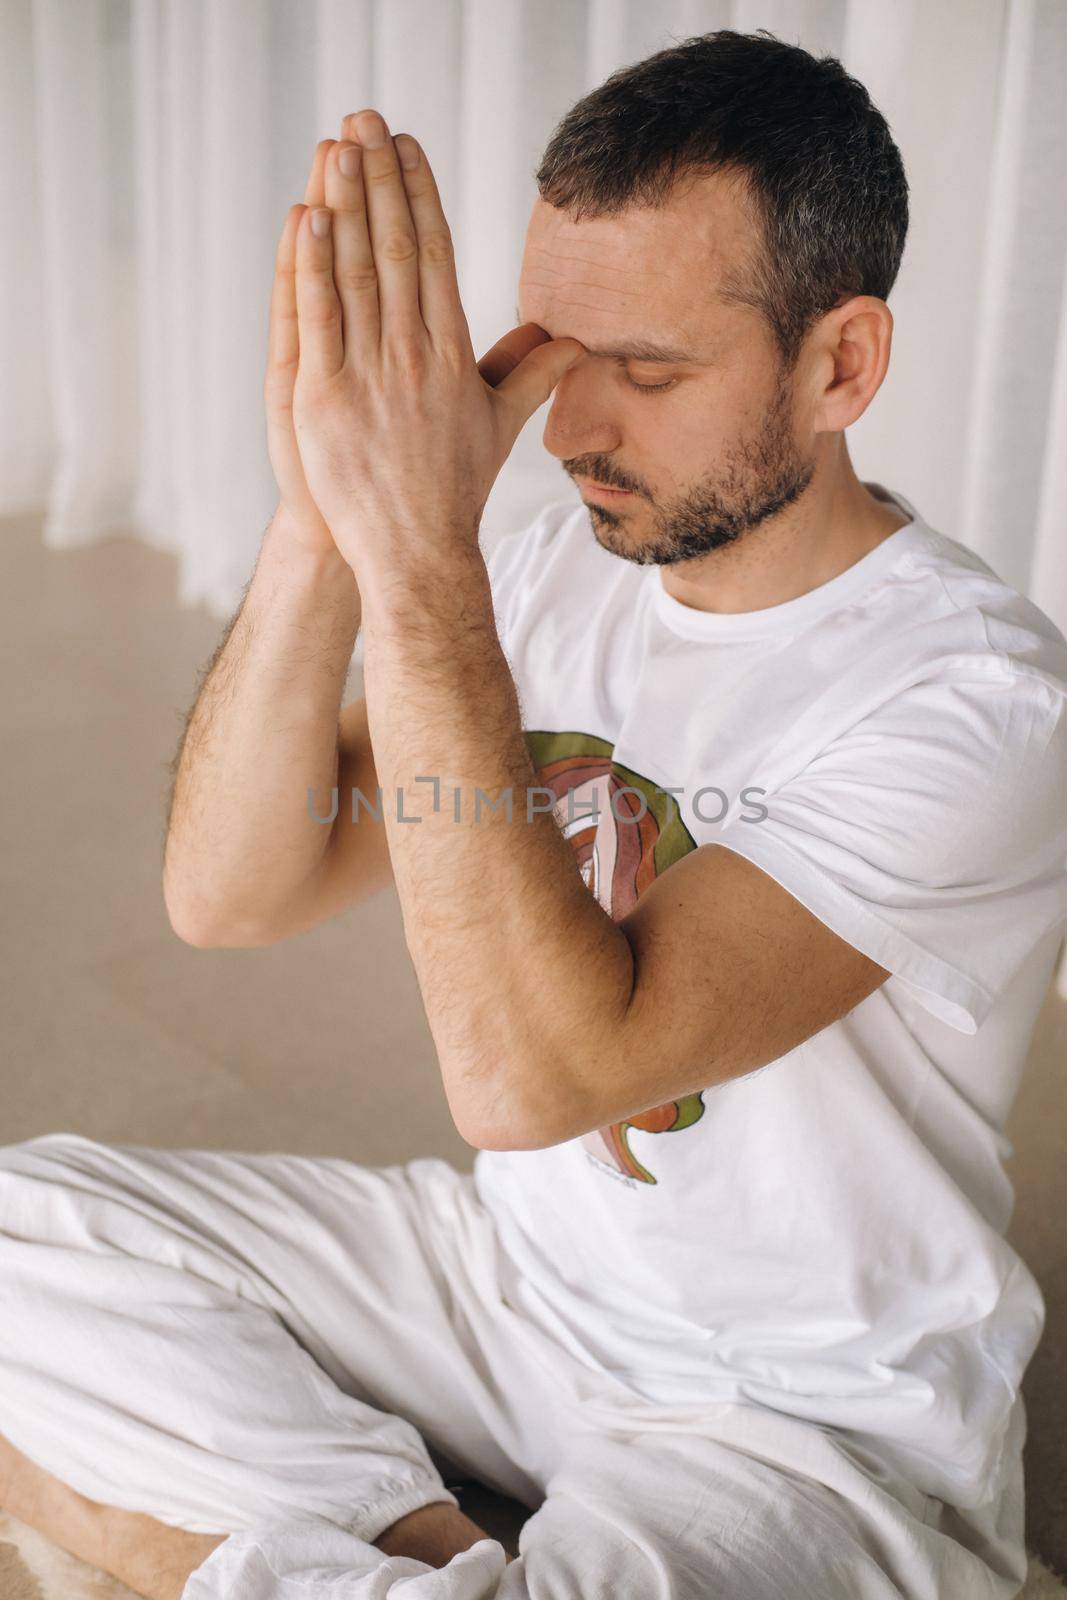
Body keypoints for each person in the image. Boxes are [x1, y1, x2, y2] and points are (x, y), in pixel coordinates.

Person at [2, 26, 1065, 1600]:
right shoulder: (565, 567)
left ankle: (214, 1545)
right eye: (560, 356)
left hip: (799, 1413)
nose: (568, 430)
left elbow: (535, 1080)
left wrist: (425, 562)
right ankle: (428, 1553)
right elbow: (230, 890)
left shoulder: (980, 702)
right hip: (509, 1282)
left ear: (841, 363)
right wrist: (325, 518)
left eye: (646, 372)